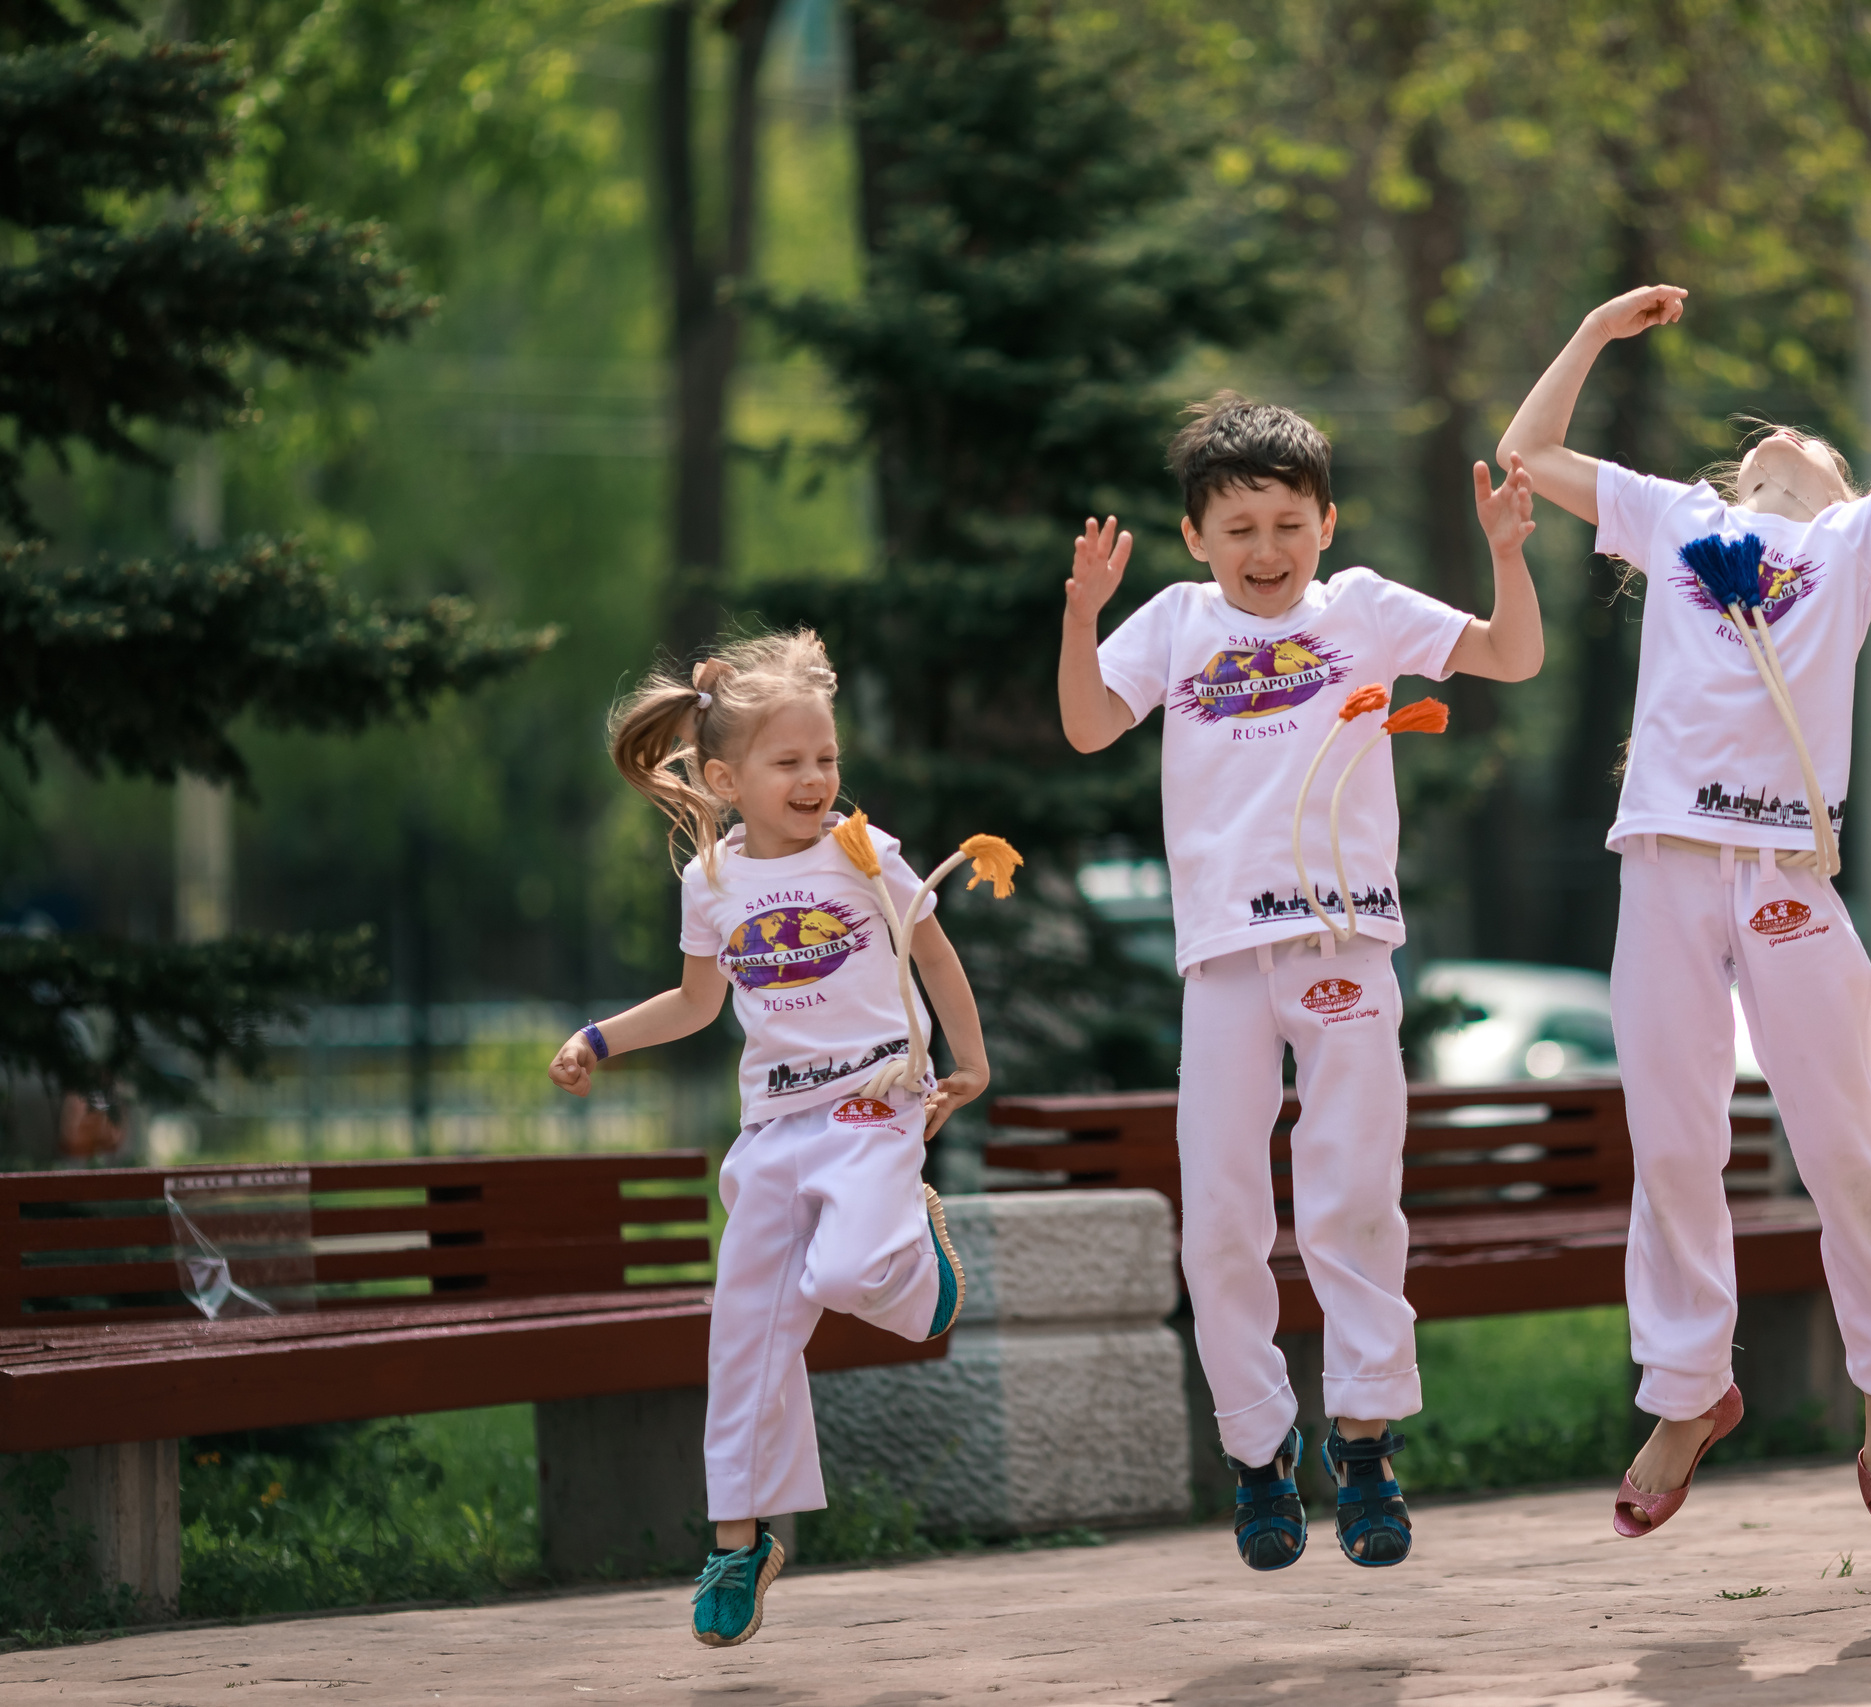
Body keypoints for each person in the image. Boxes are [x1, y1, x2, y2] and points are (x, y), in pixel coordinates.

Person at [1493, 173, 1871, 1536]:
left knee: (1839, 1136)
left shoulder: (1851, 544)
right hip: (1664, 864)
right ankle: (1688, 1390)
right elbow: (1525, 447)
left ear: (1838, 487)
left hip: (1784, 874)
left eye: (1823, 448)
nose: (1791, 438)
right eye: (1778, 444)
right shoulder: (1677, 517)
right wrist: (1595, 330)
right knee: (1672, 1142)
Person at [1057, 395, 1545, 1571]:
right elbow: (1086, 727)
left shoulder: (1362, 609)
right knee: (1223, 1214)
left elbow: (1512, 655)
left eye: (1286, 523)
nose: (1264, 550)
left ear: (1326, 523)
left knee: (1353, 1194)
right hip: (1223, 961)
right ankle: (1257, 1454)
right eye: (1238, 529)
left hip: (1343, 945)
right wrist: (1081, 619)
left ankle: (1365, 1442)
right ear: (1195, 537)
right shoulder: (1174, 624)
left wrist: (1507, 557)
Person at [547, 629, 1006, 1647]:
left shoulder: (864, 853)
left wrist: (970, 1064)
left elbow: (933, 953)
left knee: (845, 1272)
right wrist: (598, 1038)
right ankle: (738, 1542)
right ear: (726, 780)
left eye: (826, 758)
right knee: (747, 1334)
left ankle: (919, 1280)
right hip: (772, 1128)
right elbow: (694, 1003)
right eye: (788, 762)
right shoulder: (711, 881)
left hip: (872, 1103)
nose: (814, 779)